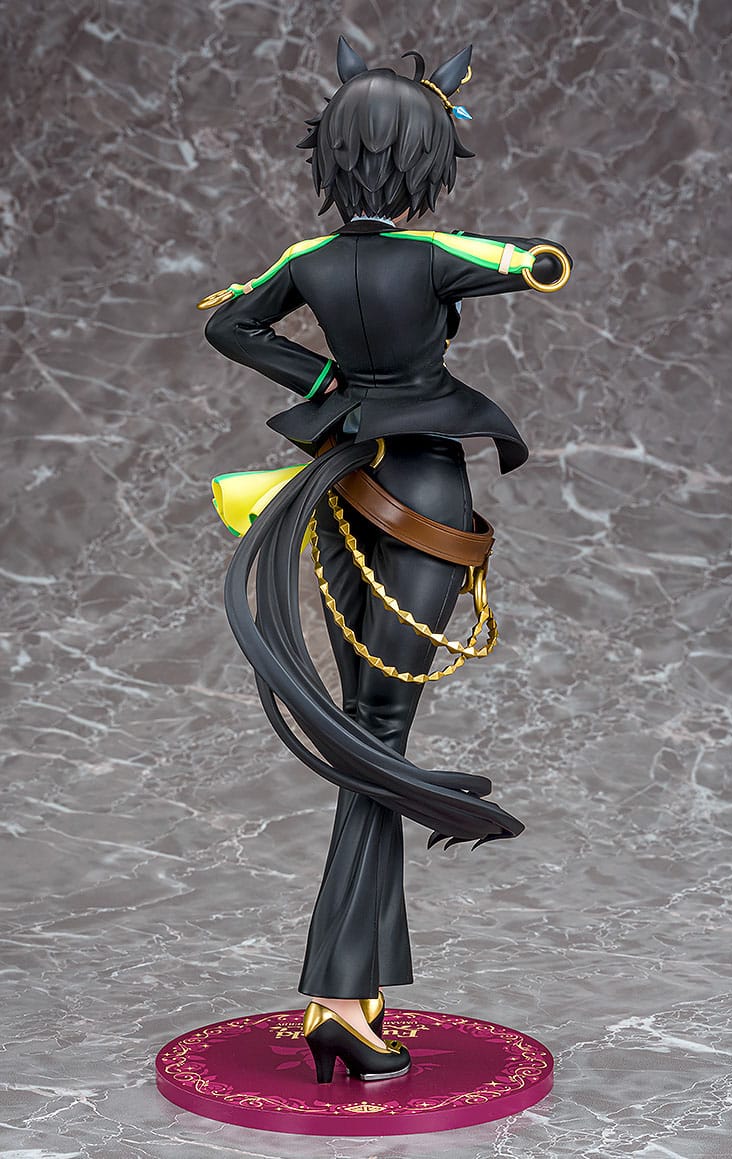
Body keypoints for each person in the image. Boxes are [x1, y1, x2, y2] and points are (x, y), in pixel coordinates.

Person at [201, 36, 572, 1084]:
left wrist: (326, 384)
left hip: (343, 484)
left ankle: (351, 995)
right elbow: (537, 260)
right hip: (420, 491)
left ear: (333, 153)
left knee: (372, 734)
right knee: (377, 739)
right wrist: (514, 260)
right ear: (424, 158)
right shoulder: (433, 252)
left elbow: (232, 325)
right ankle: (337, 996)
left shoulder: (307, 261)